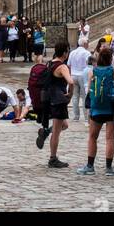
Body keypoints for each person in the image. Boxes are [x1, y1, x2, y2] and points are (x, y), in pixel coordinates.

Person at [77, 45, 114, 176]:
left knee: (92, 137)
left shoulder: (93, 72)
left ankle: (90, 166)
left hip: (96, 109)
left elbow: (90, 89)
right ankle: (109, 168)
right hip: (110, 110)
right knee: (110, 139)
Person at [42, 40, 73, 168]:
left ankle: (45, 132)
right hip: (59, 100)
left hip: (49, 99)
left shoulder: (50, 63)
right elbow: (71, 82)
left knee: (64, 125)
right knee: (56, 131)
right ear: (65, 52)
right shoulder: (62, 66)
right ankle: (53, 158)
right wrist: (70, 95)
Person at [67, 41, 92, 122]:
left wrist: (70, 74)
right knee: (84, 96)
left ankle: (76, 116)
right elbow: (89, 64)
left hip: (73, 75)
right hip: (83, 75)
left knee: (75, 96)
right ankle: (86, 117)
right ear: (84, 44)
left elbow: (69, 64)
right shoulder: (86, 53)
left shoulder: (72, 52)